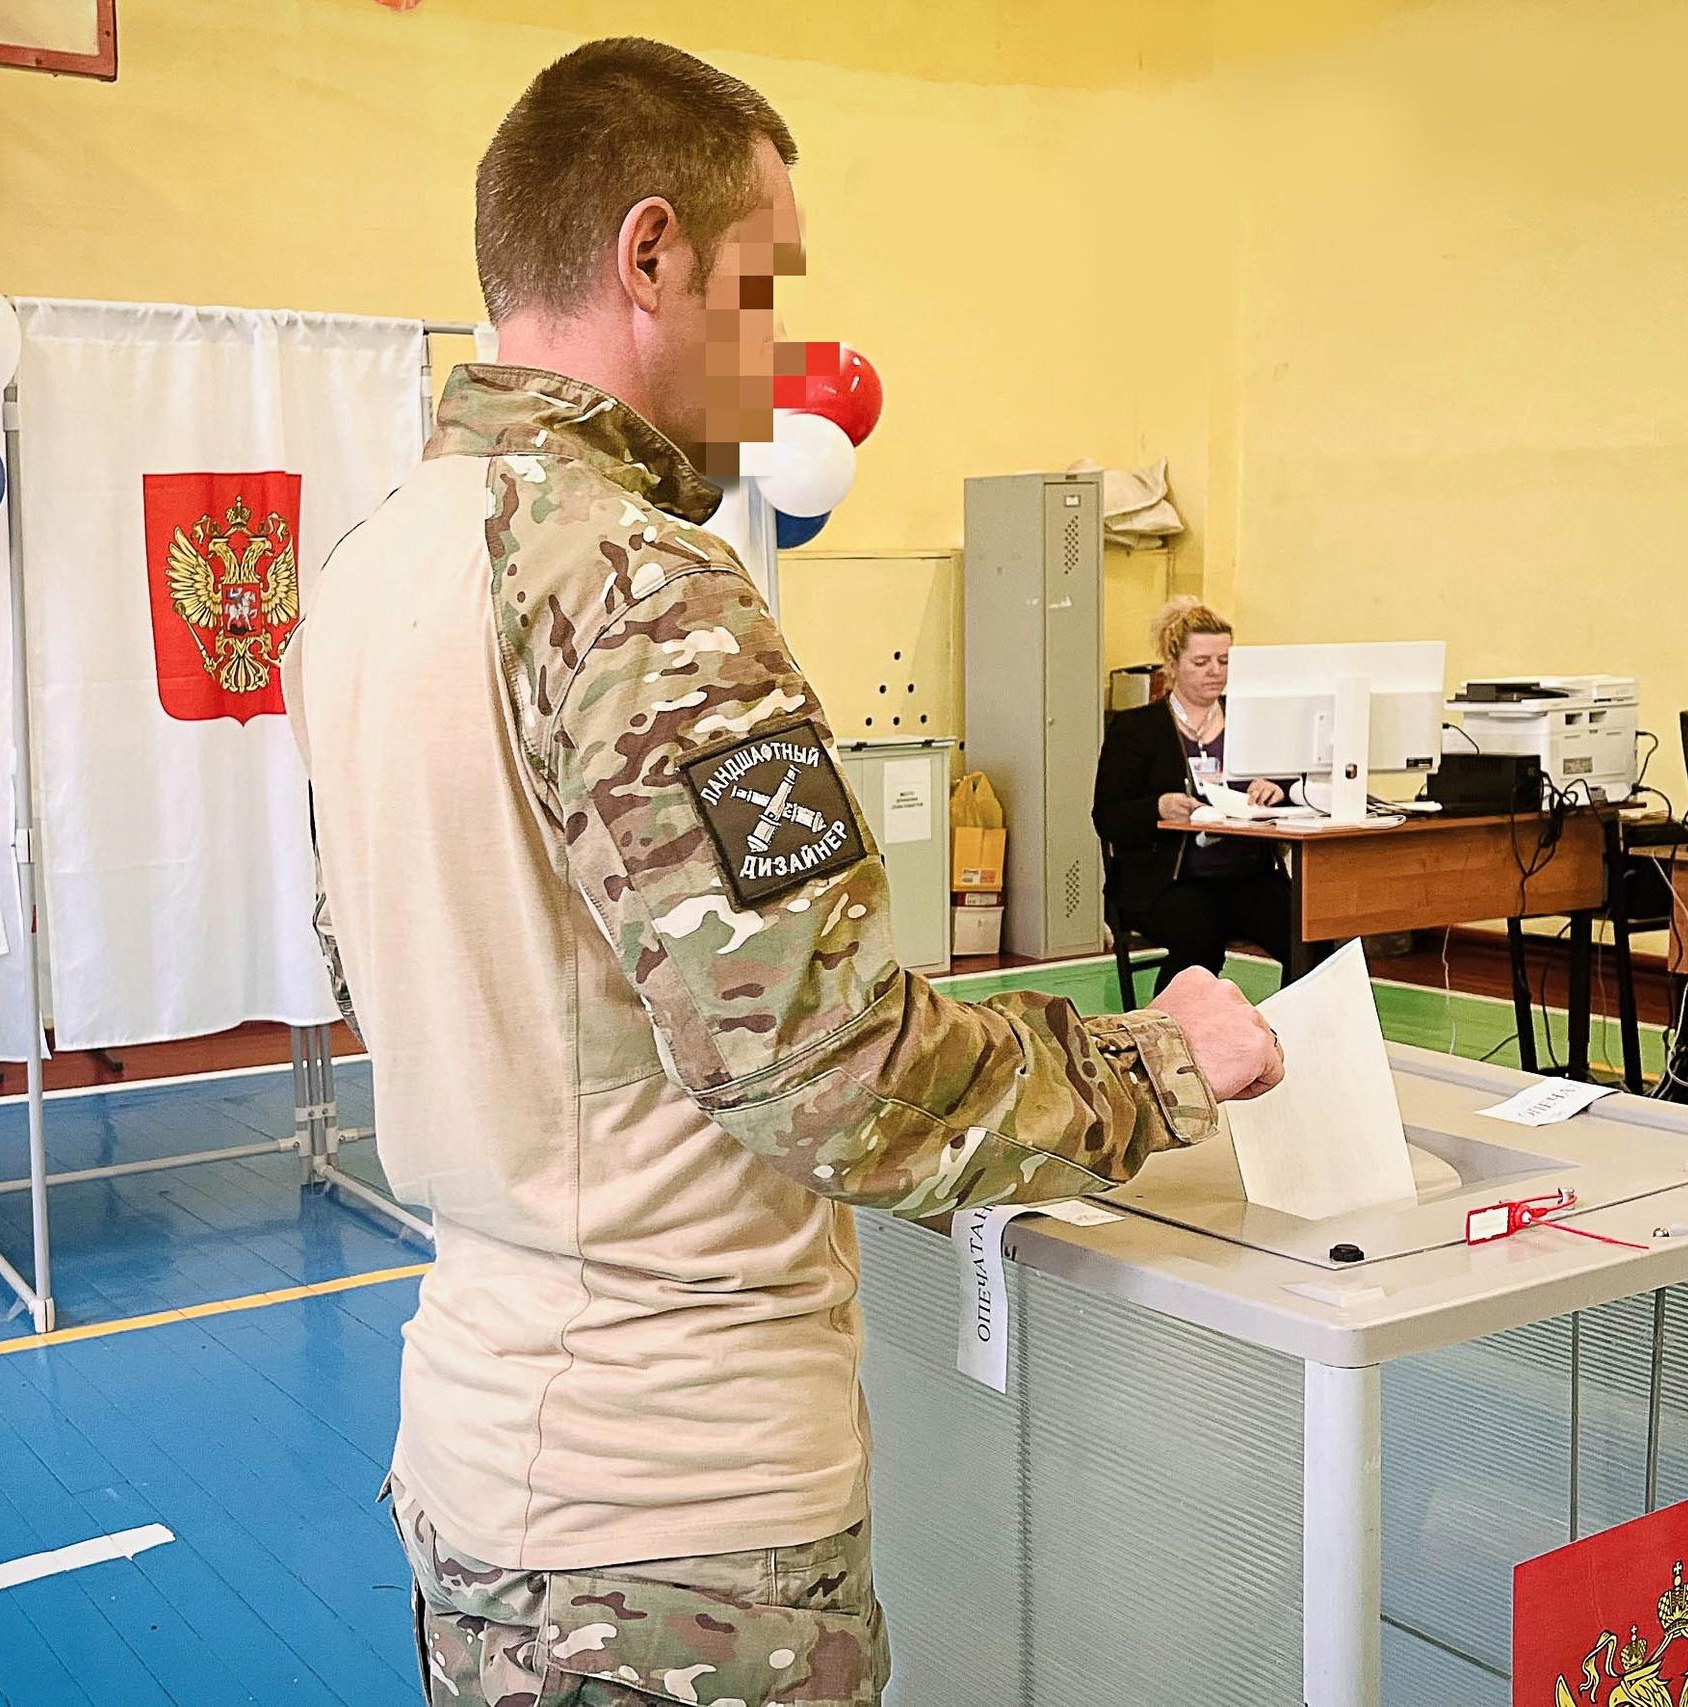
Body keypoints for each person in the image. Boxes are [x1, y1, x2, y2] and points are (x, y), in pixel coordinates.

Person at [286, 39, 1284, 1707]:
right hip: (676, 1527)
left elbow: (378, 966)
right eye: (764, 286)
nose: (780, 346)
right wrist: (1160, 1062)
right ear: (651, 254)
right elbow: (835, 1074)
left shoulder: (371, 565)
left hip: (477, 1462)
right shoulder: (638, 585)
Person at [1093, 596, 1311, 989]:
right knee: (1199, 940)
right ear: (1173, 664)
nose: (1215, 671)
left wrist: (1277, 788)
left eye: (1224, 661)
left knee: (1311, 935)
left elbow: (1298, 787)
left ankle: (1291, 1022)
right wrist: (1158, 807)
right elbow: (1108, 817)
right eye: (1201, 662)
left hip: (1248, 876)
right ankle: (1166, 1023)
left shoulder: (1250, 719)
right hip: (1168, 881)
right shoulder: (1137, 729)